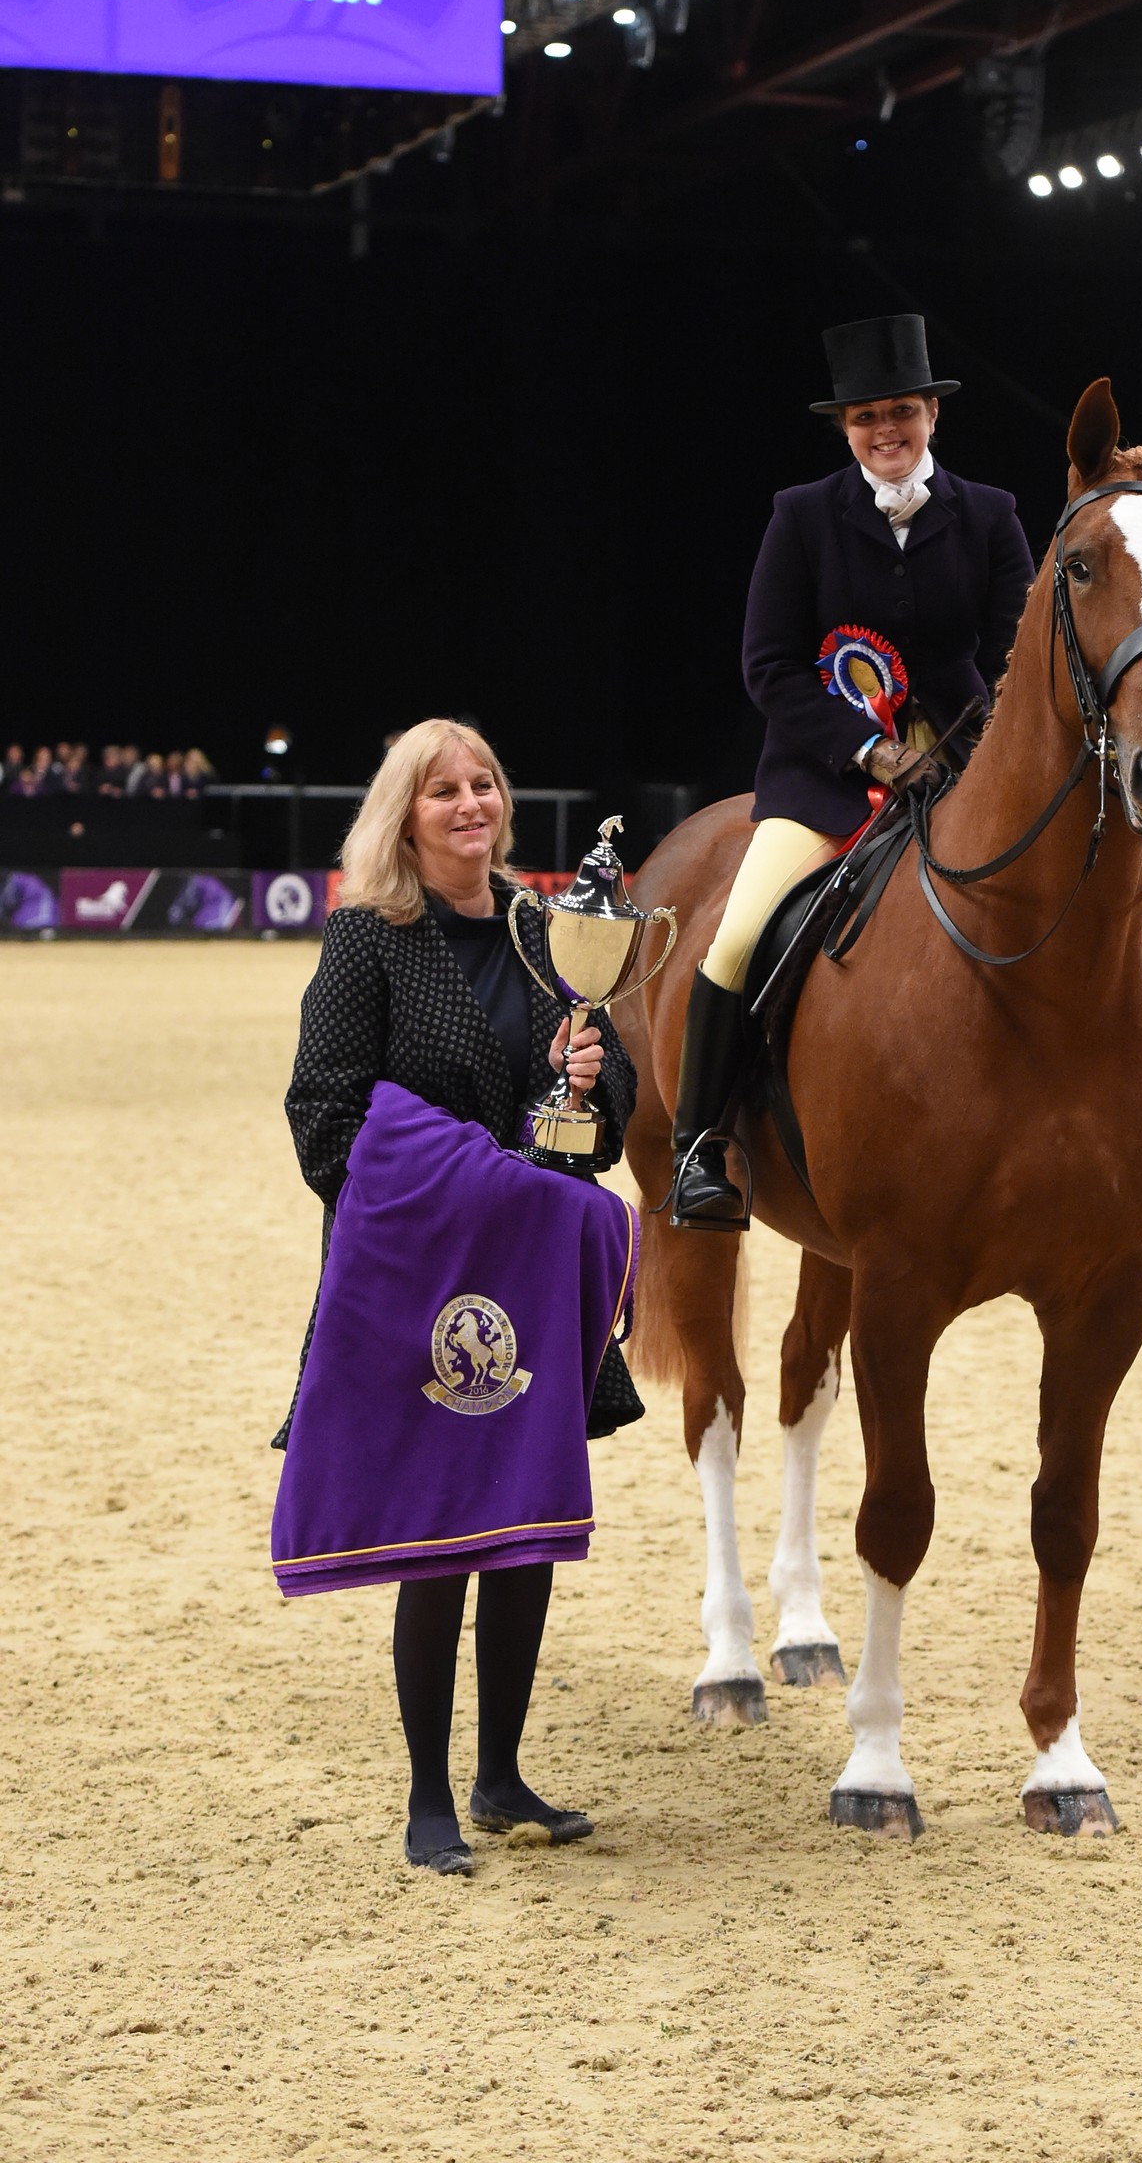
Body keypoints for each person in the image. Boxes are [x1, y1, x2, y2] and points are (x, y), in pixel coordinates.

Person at [282, 718, 637, 1874]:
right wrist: (463, 1185)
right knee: (437, 1536)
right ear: (406, 814)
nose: (471, 802)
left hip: (529, 1274)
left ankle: (500, 1776)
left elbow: (605, 1120)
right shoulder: (367, 938)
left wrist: (594, 1080)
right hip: (419, 1278)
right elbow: (325, 1116)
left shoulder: (549, 934)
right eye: (444, 790)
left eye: (483, 782)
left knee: (524, 1524)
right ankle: (429, 1794)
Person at [668, 312, 1036, 1227]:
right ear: (844, 427)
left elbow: (1017, 657)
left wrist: (984, 747)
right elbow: (768, 665)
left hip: (964, 765)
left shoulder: (990, 514)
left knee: (1096, 900)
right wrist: (869, 747)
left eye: (901, 410)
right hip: (826, 777)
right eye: (866, 416)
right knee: (737, 937)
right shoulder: (801, 516)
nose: (886, 430)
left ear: (932, 415)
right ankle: (700, 1147)